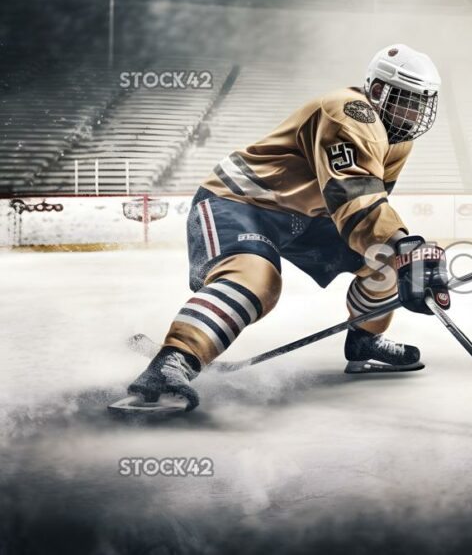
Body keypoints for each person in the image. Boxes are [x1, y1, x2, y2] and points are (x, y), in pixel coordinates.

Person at [123, 44, 451, 412]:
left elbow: (370, 202)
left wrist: (399, 252)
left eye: (420, 103)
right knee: (256, 281)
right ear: (377, 91)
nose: (413, 112)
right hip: (242, 201)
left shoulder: (399, 140)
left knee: (384, 259)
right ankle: (173, 362)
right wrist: (406, 244)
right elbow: (353, 194)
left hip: (306, 216)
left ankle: (364, 341)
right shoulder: (350, 111)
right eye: (405, 100)